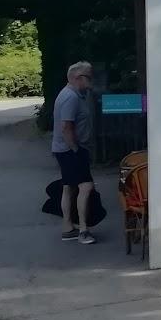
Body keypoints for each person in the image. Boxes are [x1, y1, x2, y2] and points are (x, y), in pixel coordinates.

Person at [50, 61, 97, 244]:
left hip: (64, 149)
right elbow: (66, 126)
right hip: (71, 149)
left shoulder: (71, 94)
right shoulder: (71, 97)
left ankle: (68, 227)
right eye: (89, 77)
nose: (91, 82)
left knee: (69, 187)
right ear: (78, 78)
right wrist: (76, 149)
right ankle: (84, 230)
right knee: (86, 186)